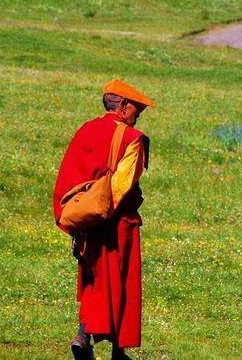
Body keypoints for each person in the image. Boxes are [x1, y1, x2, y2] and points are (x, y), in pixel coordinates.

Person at [53, 79, 156, 360]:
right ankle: (110, 349)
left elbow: (69, 177)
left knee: (94, 282)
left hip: (87, 221)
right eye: (137, 109)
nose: (138, 116)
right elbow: (120, 189)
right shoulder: (131, 139)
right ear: (122, 106)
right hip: (116, 224)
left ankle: (84, 337)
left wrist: (84, 219)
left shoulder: (86, 129)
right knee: (120, 284)